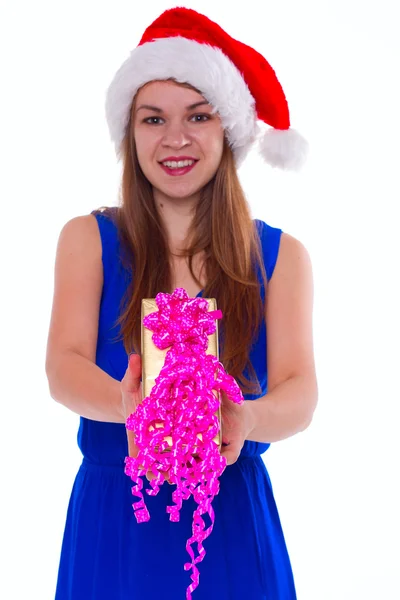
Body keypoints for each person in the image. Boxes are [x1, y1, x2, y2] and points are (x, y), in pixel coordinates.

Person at [45, 7, 318, 600]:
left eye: (198, 115)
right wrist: (127, 406)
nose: (175, 138)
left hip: (231, 518)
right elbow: (62, 367)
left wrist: (246, 419)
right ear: (131, 132)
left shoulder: (281, 256)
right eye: (153, 119)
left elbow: (300, 391)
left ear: (230, 131)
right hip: (116, 516)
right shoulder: (87, 240)